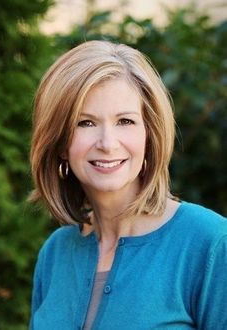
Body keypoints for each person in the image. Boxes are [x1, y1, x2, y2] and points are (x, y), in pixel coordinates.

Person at [29, 40, 227, 329]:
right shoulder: (55, 253)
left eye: (125, 121)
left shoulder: (210, 244)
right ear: (59, 142)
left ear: (150, 135)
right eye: (85, 123)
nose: (108, 144)